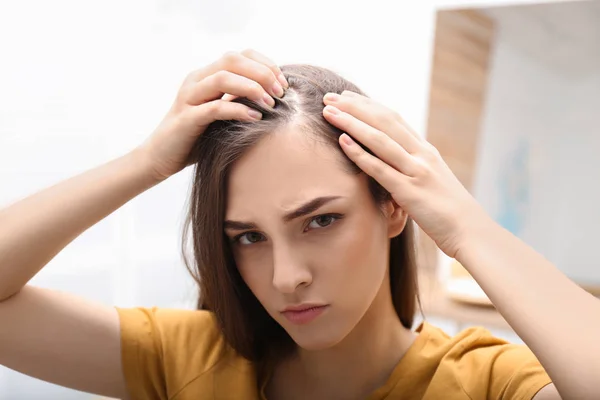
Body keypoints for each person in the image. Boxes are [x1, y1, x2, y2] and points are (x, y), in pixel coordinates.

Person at [0, 49, 598, 400]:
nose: (286, 278)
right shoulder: (190, 362)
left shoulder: (485, 384)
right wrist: (146, 163)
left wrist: (467, 227)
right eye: (249, 237)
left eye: (320, 221)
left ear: (393, 206)